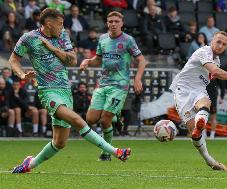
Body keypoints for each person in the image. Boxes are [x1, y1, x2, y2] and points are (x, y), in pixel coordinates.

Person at [9, 8, 131, 174]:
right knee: (77, 120)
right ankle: (115, 152)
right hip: (48, 91)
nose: (62, 27)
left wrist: (53, 49)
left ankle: (28, 165)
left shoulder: (63, 35)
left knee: (59, 142)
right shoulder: (29, 38)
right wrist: (22, 74)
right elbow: (13, 59)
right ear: (49, 24)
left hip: (65, 91)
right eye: (59, 24)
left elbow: (72, 60)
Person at [169, 31, 227, 170]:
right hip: (182, 91)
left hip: (198, 90)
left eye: (224, 44)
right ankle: (209, 159)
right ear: (212, 40)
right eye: (218, 41)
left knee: (206, 101)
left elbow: (217, 75)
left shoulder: (216, 60)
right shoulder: (204, 52)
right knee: (194, 131)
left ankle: (201, 124)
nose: (220, 45)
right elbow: (216, 72)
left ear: (226, 47)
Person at [80, 11, 147, 161]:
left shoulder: (128, 40)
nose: (113, 24)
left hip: (119, 85)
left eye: (117, 21)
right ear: (107, 23)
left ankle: (106, 154)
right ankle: (116, 117)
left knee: (104, 121)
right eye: (111, 21)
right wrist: (88, 61)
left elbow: (142, 60)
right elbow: (98, 59)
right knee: (90, 119)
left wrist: (137, 79)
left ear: (122, 23)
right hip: (102, 84)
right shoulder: (103, 39)